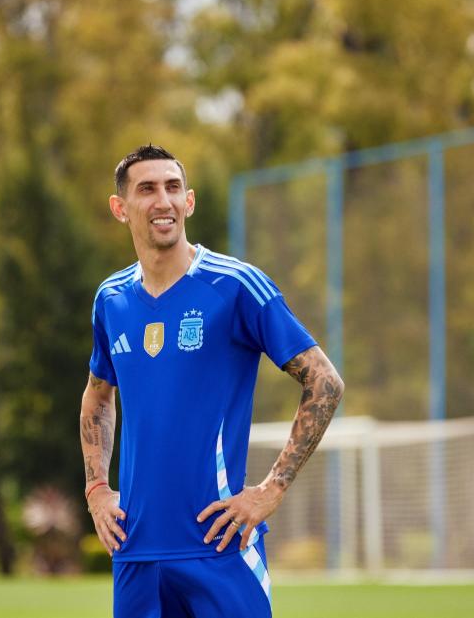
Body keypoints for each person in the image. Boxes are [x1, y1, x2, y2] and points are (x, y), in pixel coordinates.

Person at [80, 144, 344, 618]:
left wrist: (270, 490)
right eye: (147, 189)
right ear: (121, 208)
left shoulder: (236, 286)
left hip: (221, 546)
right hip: (135, 550)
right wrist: (97, 491)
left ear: (190, 202)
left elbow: (324, 381)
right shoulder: (111, 299)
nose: (163, 200)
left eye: (173, 187)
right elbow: (98, 397)